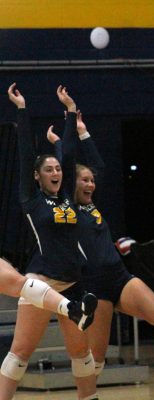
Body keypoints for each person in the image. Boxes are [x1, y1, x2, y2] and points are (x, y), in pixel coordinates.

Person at [47, 110, 154, 397]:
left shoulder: (91, 205)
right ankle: (88, 395)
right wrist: (62, 141)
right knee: (95, 359)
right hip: (94, 284)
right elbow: (69, 164)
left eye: (91, 181)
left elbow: (98, 165)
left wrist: (84, 131)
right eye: (83, 181)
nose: (90, 184)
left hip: (118, 275)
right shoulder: (67, 205)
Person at [1, 84, 98, 400]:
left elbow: (68, 152)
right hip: (42, 283)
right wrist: (22, 110)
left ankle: (89, 398)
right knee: (21, 353)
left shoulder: (67, 196)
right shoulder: (31, 200)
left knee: (81, 352)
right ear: (37, 177)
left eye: (58, 169)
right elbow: (26, 151)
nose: (56, 172)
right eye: (50, 170)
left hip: (73, 283)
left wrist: (70, 110)